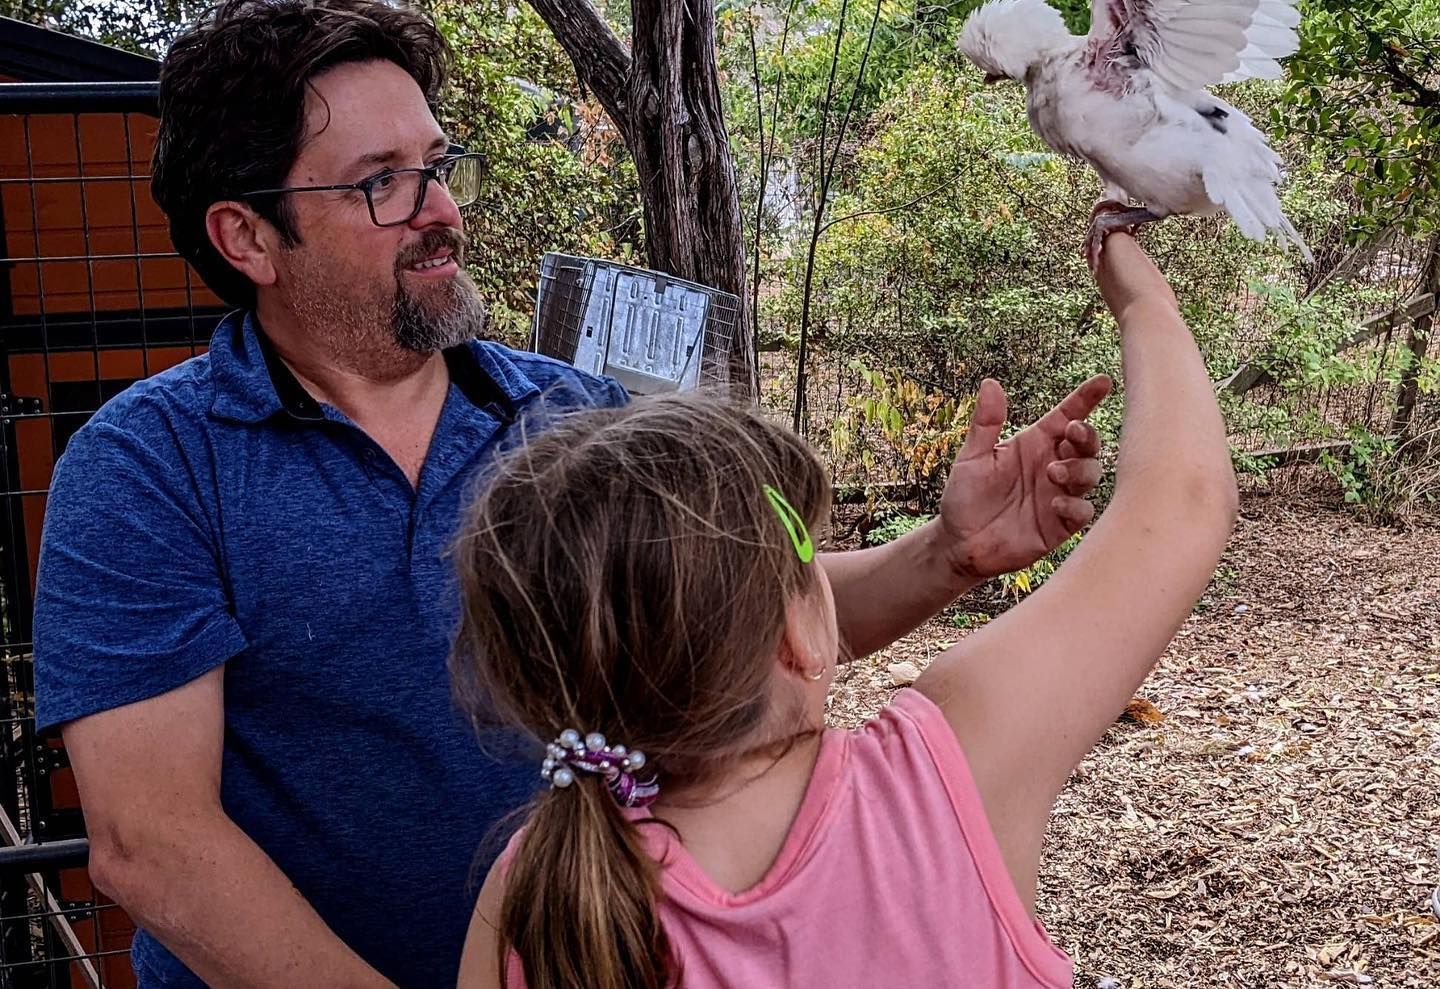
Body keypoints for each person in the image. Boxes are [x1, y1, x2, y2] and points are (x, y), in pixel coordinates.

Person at [31, 1, 1108, 986]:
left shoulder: (576, 416)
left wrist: (947, 551)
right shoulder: (146, 469)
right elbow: (153, 837)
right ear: (247, 236)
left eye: (437, 163)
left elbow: (728, 624)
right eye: (382, 182)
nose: (441, 209)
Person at [450, 227, 1238, 989]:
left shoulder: (530, 896)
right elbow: (1181, 501)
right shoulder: (939, 780)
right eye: (812, 557)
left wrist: (948, 552)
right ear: (796, 635)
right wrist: (1141, 297)